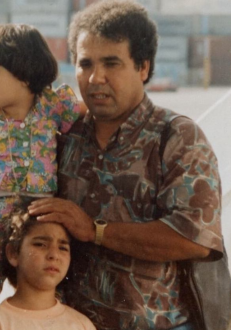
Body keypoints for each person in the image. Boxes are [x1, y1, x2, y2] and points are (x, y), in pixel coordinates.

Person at [28, 1, 227, 329]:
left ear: (143, 68)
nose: (95, 78)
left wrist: (95, 230)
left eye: (111, 63)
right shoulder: (64, 136)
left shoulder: (177, 136)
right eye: (85, 63)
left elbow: (195, 240)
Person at [0, 23, 83, 317]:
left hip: (39, 213)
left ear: (24, 74)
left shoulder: (52, 108)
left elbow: (93, 114)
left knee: (49, 280)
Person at [0, 202, 95, 330]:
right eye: (40, 244)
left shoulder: (81, 324)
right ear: (13, 253)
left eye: (62, 248)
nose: (54, 255)